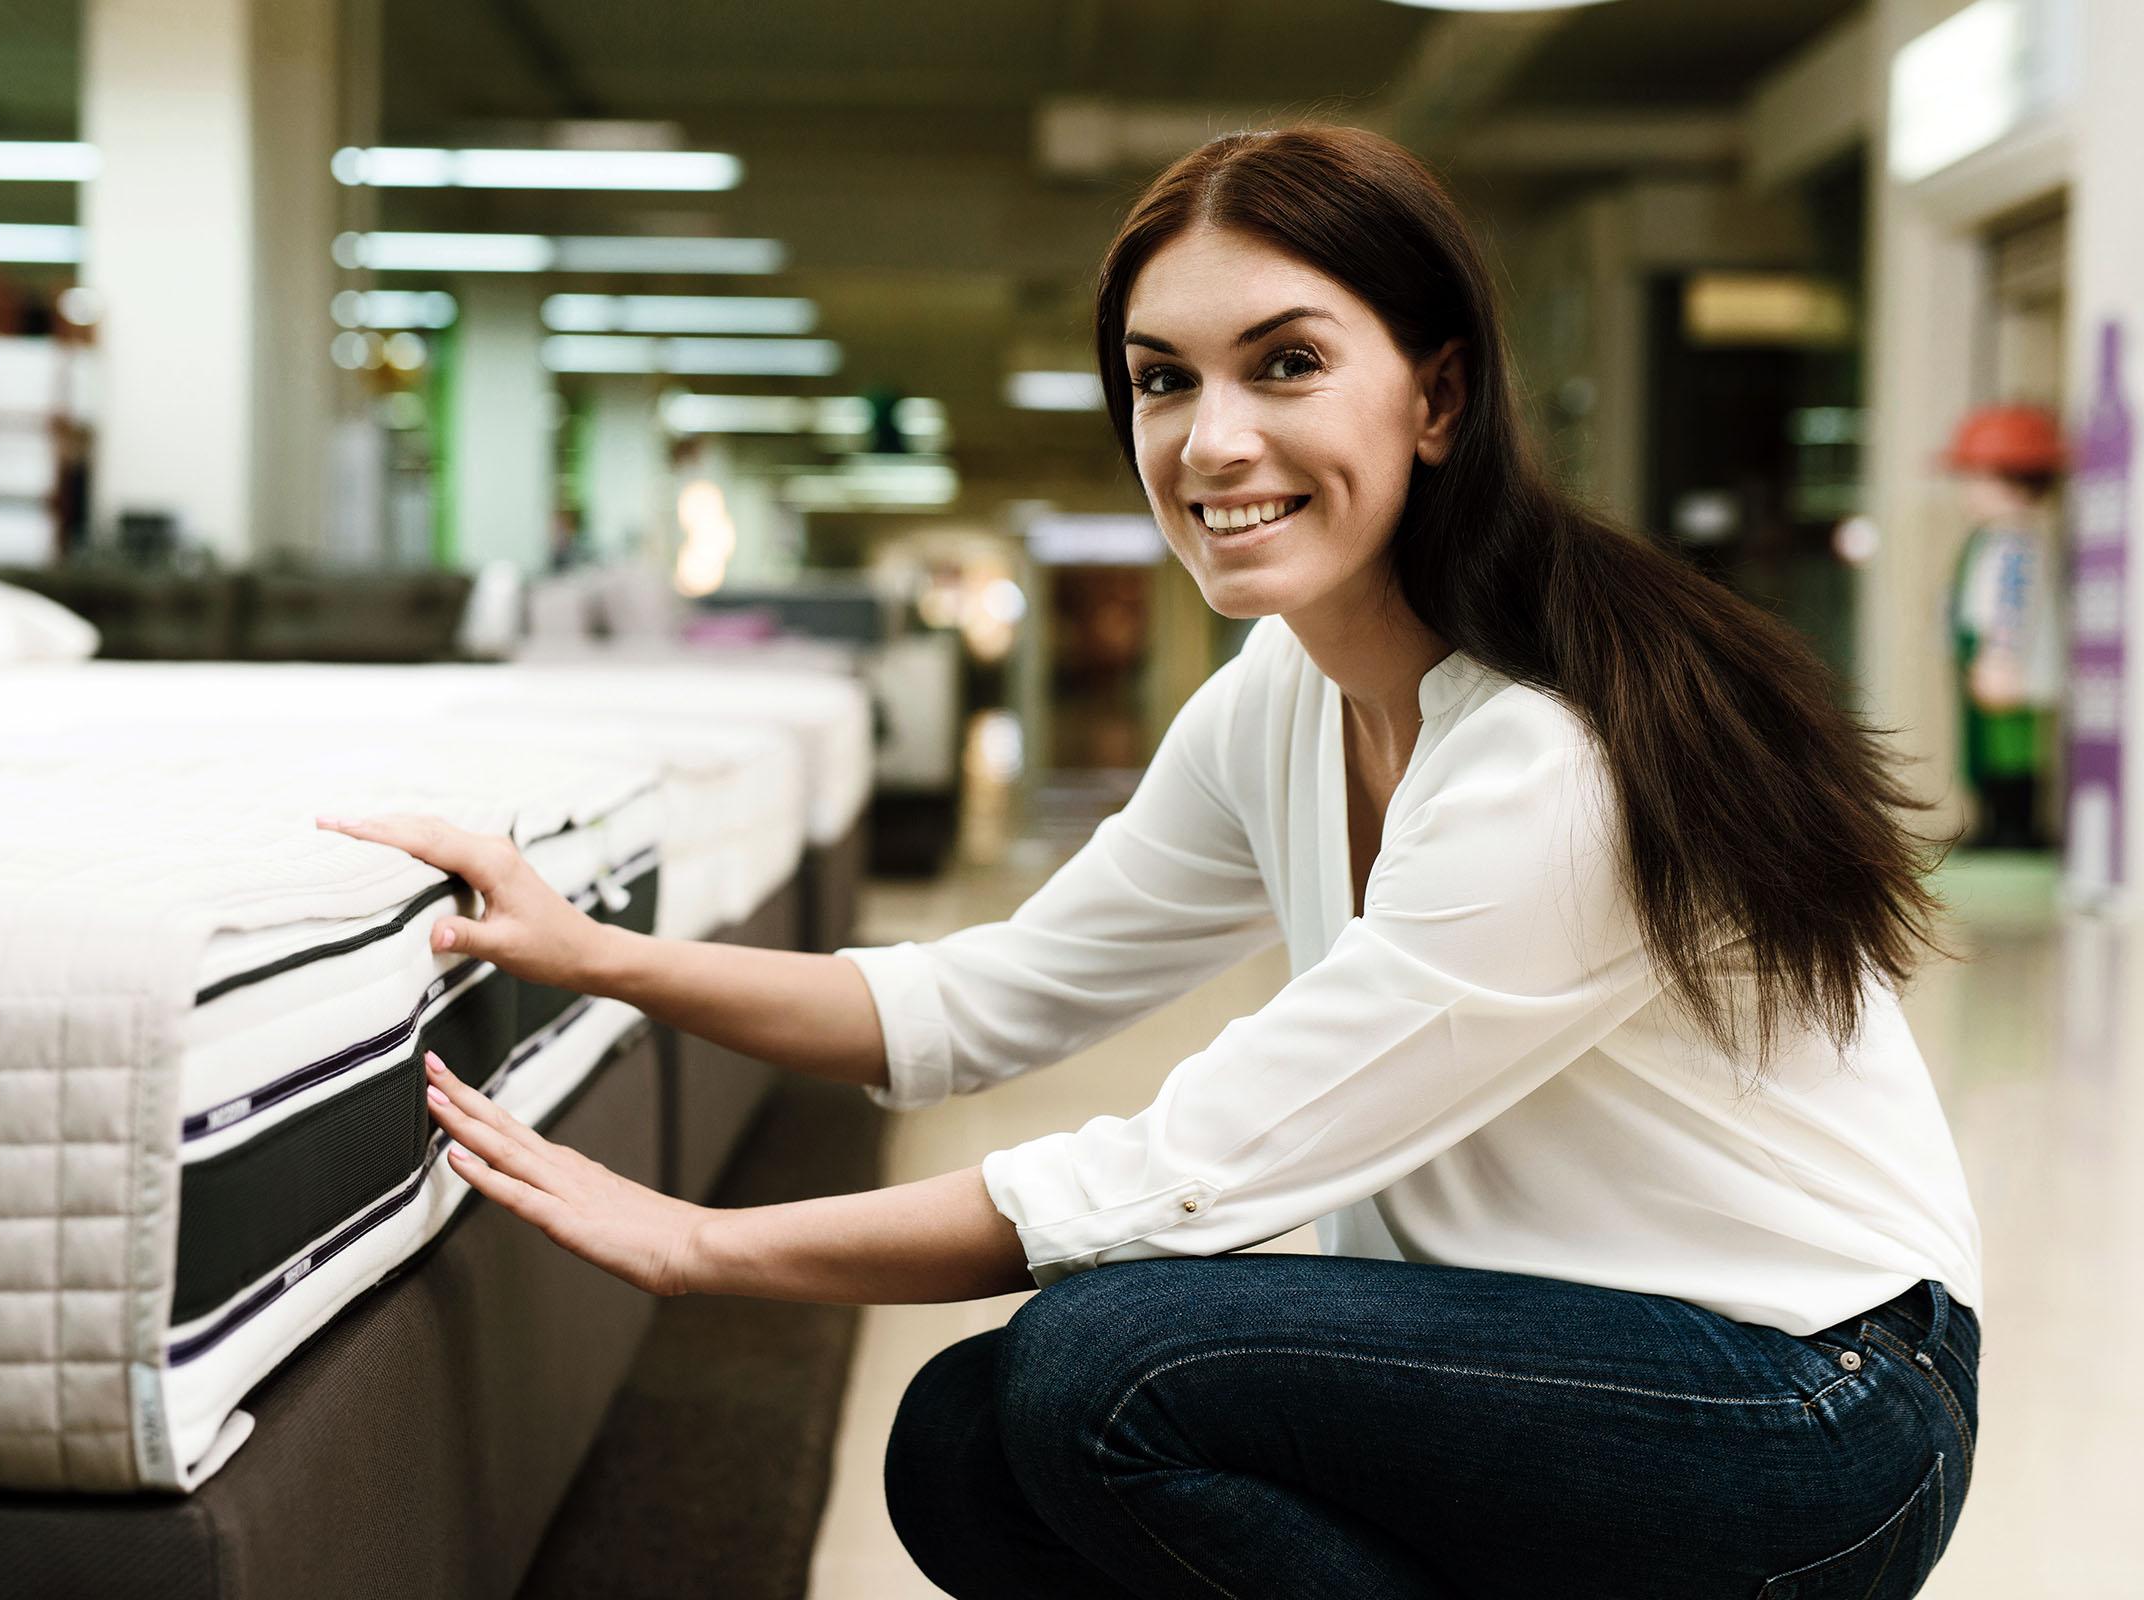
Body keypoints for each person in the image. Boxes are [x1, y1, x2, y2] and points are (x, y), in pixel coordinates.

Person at [320, 126, 1981, 1599]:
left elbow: (1178, 1178)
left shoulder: (1553, 754)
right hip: (1549, 1358)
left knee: (1106, 1365)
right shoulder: (1284, 696)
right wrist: (592, 949)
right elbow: (987, 1001)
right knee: (966, 1448)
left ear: (1440, 392)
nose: (1209, 438)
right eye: (1164, 377)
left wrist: (705, 1249)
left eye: (1285, 365)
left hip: (1813, 1404)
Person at [1944, 404, 2066, 850]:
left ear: (2017, 483)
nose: (1968, 493)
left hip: (2005, 659)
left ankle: (2015, 824)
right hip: (1982, 653)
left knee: (2012, 747)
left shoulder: (2017, 543)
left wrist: (2001, 655)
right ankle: (1997, 820)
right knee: (1985, 748)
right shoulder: (1993, 539)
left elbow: (2013, 604)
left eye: (1977, 480)